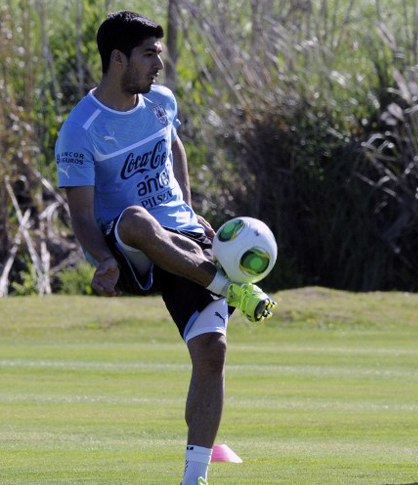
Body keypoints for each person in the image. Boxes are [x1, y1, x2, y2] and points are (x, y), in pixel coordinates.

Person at [54, 11, 277, 485]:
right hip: (131, 248)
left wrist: (190, 210)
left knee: (212, 352)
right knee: (137, 218)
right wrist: (104, 261)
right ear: (118, 59)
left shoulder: (162, 102)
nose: (160, 63)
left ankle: (194, 478)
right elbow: (80, 213)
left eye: (160, 52)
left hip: (184, 242)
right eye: (149, 54)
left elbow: (175, 148)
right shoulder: (81, 129)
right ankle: (228, 283)